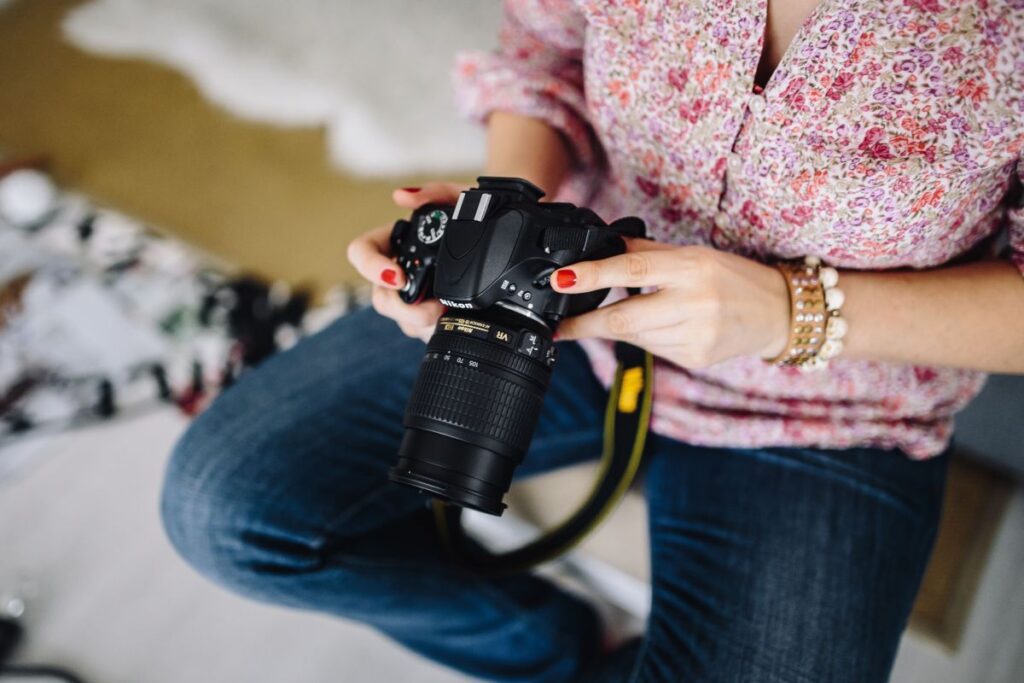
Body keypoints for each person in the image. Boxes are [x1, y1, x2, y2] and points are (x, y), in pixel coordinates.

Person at [160, 1, 1024, 681]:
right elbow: (543, 52)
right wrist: (498, 224)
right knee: (227, 509)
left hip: (831, 407)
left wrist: (794, 310)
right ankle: (554, 648)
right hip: (569, 311)